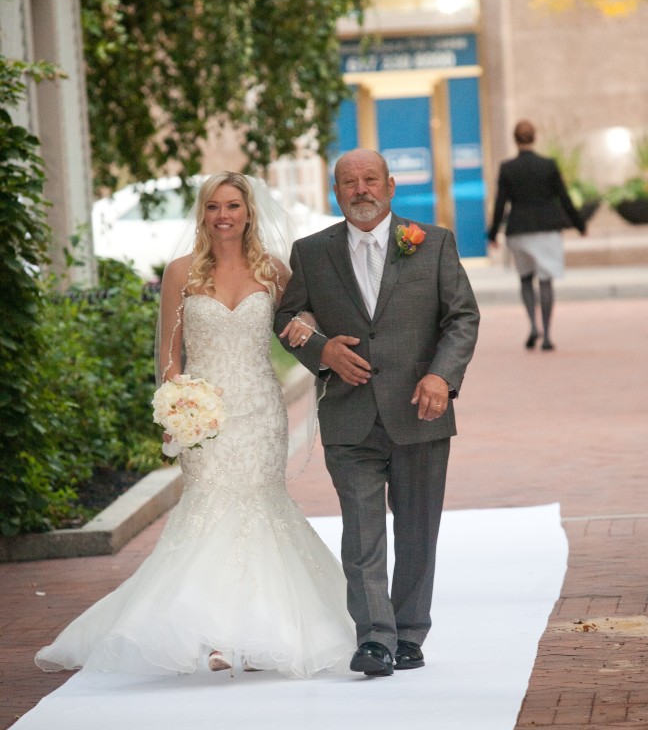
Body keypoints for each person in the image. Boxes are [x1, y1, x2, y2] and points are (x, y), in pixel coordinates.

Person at [36, 172, 355, 678]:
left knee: (259, 506)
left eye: (232, 206)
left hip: (259, 411)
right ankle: (212, 635)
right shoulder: (181, 272)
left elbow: (303, 323)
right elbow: (170, 354)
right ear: (202, 214)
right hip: (203, 414)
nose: (223, 216)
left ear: (249, 211)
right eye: (213, 207)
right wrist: (176, 411)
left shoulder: (273, 271)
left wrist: (308, 327)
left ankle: (260, 630)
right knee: (209, 508)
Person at [275, 148, 480, 677]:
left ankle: (410, 631)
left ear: (390, 187)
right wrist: (321, 350)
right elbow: (288, 316)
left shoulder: (432, 243)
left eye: (370, 180)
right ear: (335, 192)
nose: (360, 190)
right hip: (349, 415)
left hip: (420, 409)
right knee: (361, 532)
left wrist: (442, 376)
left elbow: (461, 317)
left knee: (416, 528)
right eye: (349, 182)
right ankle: (374, 639)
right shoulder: (311, 252)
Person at [488, 119, 587, 351]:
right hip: (547, 229)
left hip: (518, 230)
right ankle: (548, 335)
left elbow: (500, 203)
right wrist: (579, 225)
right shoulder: (548, 165)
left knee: (525, 278)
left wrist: (493, 234)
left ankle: (533, 324)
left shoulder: (507, 168)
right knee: (545, 281)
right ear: (534, 137)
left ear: (515, 139)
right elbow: (564, 198)